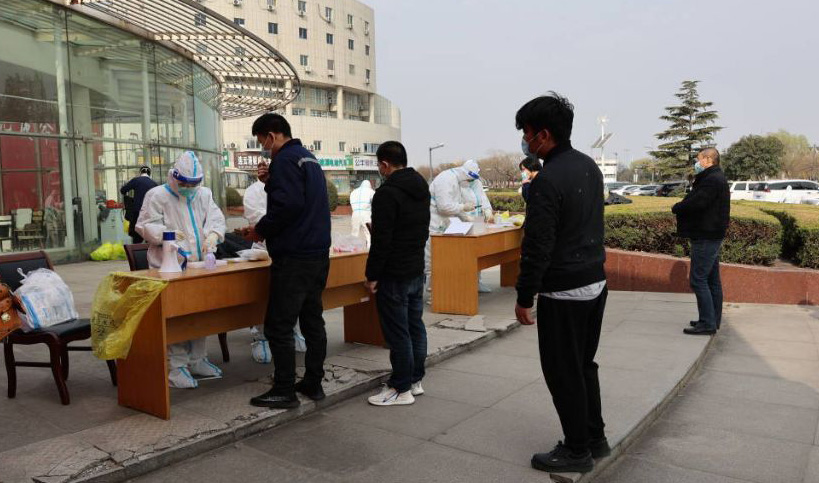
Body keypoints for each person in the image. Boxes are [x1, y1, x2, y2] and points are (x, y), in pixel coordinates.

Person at [514, 93, 609, 474]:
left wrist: (524, 296)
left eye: (526, 133)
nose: (525, 140)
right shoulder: (588, 166)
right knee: (583, 364)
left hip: (564, 290)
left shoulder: (547, 180)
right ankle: (595, 438)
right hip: (595, 282)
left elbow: (537, 245)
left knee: (562, 371)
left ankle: (576, 450)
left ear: (543, 135)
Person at [246, 113, 331, 410]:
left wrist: (260, 230)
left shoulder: (283, 160)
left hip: (295, 256)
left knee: (279, 325)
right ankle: (313, 382)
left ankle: (284, 389)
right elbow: (300, 199)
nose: (265, 150)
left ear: (272, 136)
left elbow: (287, 206)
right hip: (317, 254)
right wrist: (270, 182)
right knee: (312, 320)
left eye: (263, 143)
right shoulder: (308, 158)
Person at [136, 152, 226, 389]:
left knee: (199, 314)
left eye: (193, 184)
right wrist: (166, 235)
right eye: (184, 183)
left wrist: (213, 235)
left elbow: (216, 219)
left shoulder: (203, 194)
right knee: (176, 317)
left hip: (198, 265)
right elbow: (144, 225)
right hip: (168, 267)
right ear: (174, 177)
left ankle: (197, 359)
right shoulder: (157, 195)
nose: (188, 188)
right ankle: (176, 367)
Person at [364, 141, 430, 406]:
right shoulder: (421, 186)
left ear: (384, 164)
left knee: (398, 332)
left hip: (394, 273)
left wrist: (372, 275)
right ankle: (414, 380)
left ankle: (400, 388)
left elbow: (382, 241)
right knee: (415, 327)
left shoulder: (386, 194)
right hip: (415, 268)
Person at [243, 161, 308, 364]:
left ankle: (293, 330)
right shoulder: (253, 191)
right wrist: (281, 224)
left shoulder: (291, 188)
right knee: (262, 295)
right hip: (263, 249)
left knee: (290, 294)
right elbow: (258, 218)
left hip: (289, 249)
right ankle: (261, 337)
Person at [672, 147, 730, 335]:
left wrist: (678, 207)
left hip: (706, 235)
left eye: (699, 159)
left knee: (698, 280)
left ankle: (707, 323)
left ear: (708, 160)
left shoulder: (712, 180)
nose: (697, 163)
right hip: (711, 234)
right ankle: (712, 319)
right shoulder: (714, 178)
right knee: (712, 280)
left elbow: (698, 203)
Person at [424, 162, 478, 293]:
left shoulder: (456, 181)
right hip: (434, 226)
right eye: (470, 180)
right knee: (433, 264)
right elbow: (444, 207)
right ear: (465, 174)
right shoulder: (445, 179)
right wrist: (463, 207)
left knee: (445, 263)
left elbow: (454, 205)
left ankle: (445, 294)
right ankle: (433, 296)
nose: (470, 183)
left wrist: (466, 217)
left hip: (444, 227)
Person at [458, 159, 494, 293]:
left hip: (478, 219)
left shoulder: (477, 182)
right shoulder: (458, 183)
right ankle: (465, 283)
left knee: (479, 252)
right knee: (465, 254)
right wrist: (464, 215)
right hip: (463, 220)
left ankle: (478, 281)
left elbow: (482, 197)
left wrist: (488, 211)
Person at [121, 165, 157, 243]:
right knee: (149, 235)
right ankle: (148, 249)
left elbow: (123, 190)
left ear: (140, 172)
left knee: (137, 235)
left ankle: (136, 249)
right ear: (149, 173)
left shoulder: (136, 180)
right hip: (150, 212)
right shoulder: (154, 183)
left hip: (137, 212)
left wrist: (130, 198)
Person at [349, 180, 375, 248]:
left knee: (354, 233)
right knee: (369, 233)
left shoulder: (353, 192)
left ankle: (353, 250)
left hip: (355, 214)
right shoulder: (371, 191)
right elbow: (375, 203)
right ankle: (369, 249)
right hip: (366, 214)